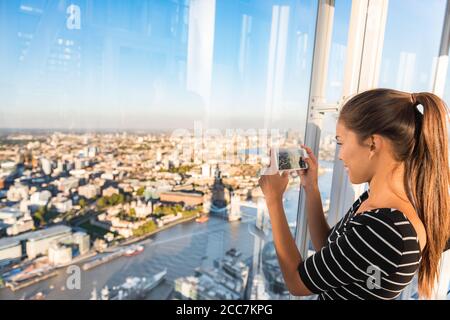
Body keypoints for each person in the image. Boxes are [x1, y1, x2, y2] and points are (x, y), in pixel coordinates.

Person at [259, 88, 450, 300]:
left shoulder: (385, 229)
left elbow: (297, 282)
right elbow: (331, 249)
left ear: (373, 144)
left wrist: (273, 199)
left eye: (341, 142)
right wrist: (311, 187)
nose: (339, 155)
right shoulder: (374, 203)